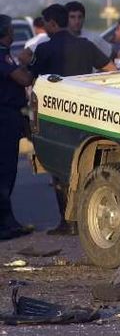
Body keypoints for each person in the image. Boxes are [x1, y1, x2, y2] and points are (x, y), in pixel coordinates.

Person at [20, 4, 116, 236]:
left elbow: (28, 79)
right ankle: (85, 221)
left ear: (52, 24)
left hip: (54, 117)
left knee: (58, 169)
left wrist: (22, 62)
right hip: (83, 114)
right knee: (84, 166)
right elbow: (111, 69)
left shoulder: (44, 49)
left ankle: (67, 222)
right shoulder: (86, 45)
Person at [0, 14, 34, 240]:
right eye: (11, 30)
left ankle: (8, 221)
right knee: (6, 170)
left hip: (8, 116)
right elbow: (23, 79)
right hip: (4, 117)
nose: (13, 33)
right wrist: (25, 63)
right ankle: (5, 224)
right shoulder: (3, 56)